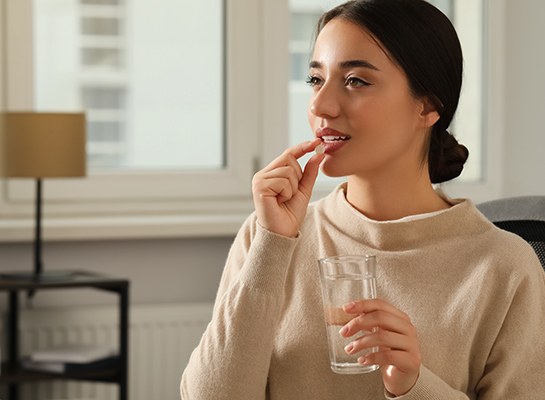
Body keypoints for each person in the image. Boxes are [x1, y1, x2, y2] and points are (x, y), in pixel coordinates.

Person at [181, 0, 545, 398]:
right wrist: (272, 246)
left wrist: (414, 385)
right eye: (316, 80)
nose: (320, 106)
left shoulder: (505, 269)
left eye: (355, 80)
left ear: (427, 106)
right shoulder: (269, 235)